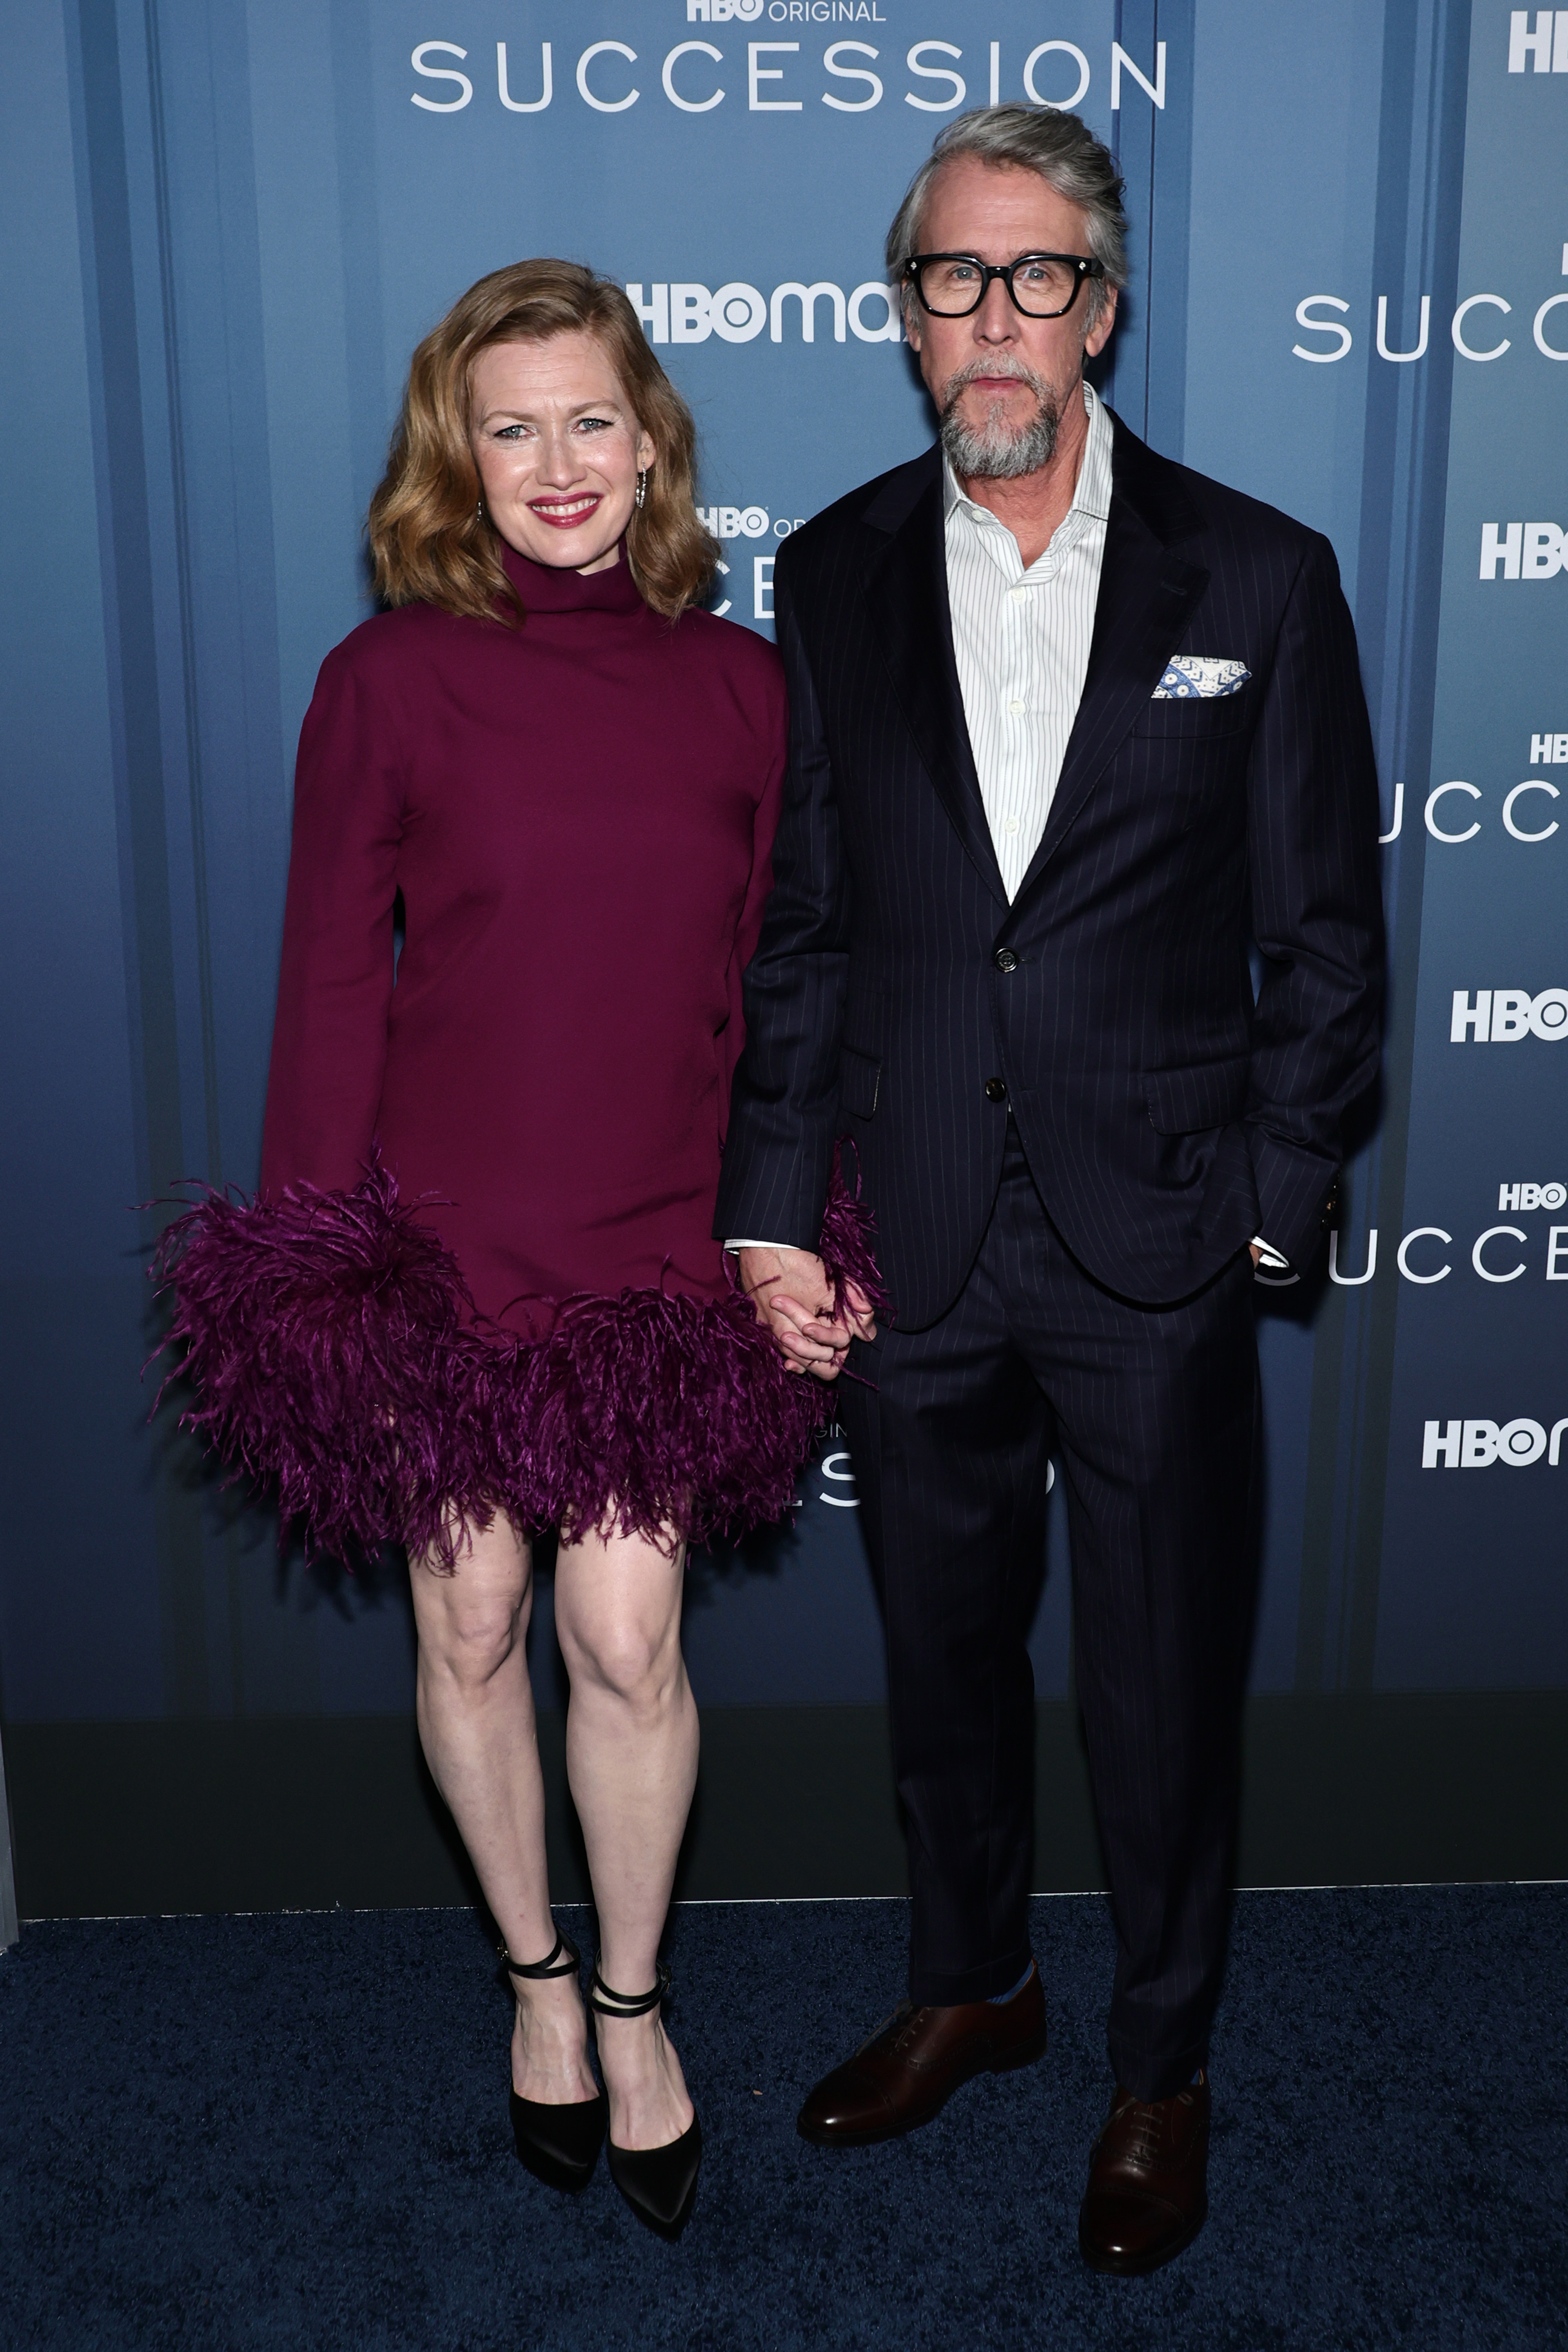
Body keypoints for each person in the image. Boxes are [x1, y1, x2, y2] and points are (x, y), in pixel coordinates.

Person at [718, 107, 1383, 2274]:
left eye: (1036, 278)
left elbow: (1328, 936)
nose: (992, 322)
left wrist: (1278, 1197)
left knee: (1163, 1682)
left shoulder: (1259, 574)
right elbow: (802, 931)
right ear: (903, 316)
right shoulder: (820, 573)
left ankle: (1158, 2066)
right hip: (908, 1230)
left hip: (1161, 1233)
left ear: (1102, 304)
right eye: (950, 280)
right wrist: (776, 1208)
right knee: (939, 1657)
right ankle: (975, 1984)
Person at [156, 260, 874, 2241]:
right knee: (466, 1627)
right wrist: (317, 1273)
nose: (555, 463)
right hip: (443, 1243)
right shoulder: (387, 678)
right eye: (509, 425)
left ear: (646, 442)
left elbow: (782, 992)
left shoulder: (742, 684)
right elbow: (328, 988)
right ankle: (536, 1991)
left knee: (622, 1642)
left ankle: (636, 2007)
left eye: (588, 420)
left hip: (657, 1235)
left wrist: (799, 1228)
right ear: (453, 459)